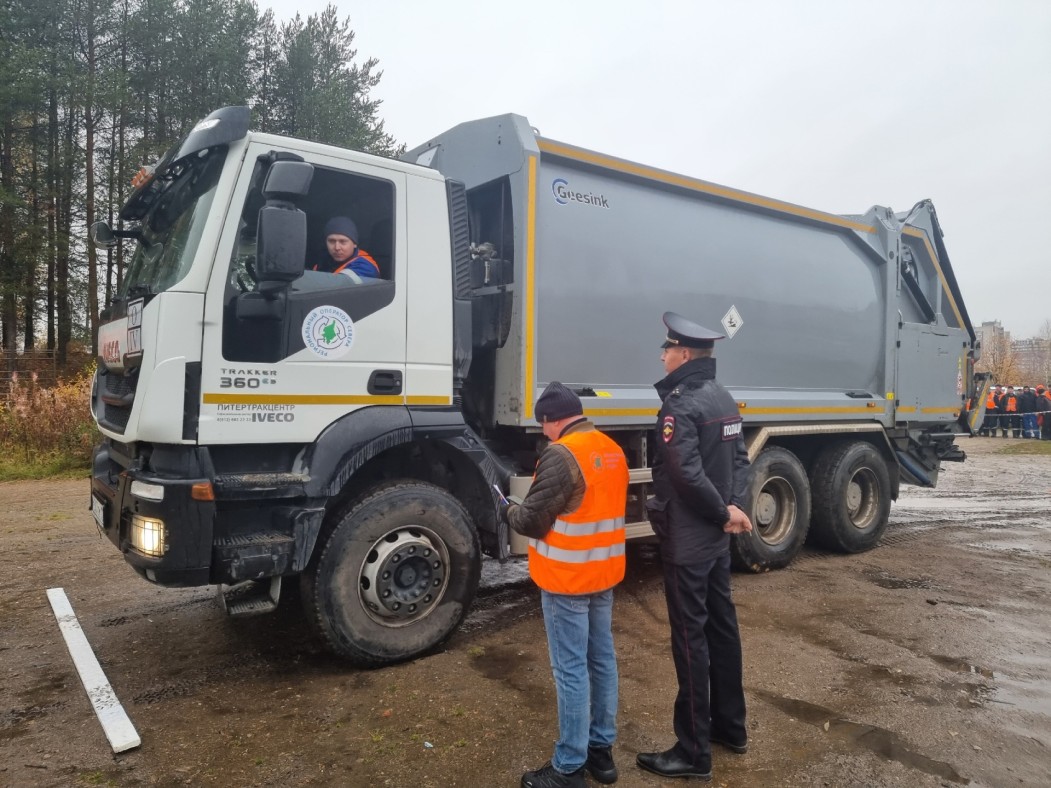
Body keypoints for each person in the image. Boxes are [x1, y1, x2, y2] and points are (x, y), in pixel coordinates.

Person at [636, 312, 753, 782]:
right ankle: (731, 729)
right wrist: (733, 507)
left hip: (689, 539)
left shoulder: (679, 406)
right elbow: (740, 461)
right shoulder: (721, 397)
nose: (662, 357)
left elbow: (684, 474)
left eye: (666, 350)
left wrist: (724, 512)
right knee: (722, 631)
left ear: (683, 354)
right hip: (715, 540)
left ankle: (692, 752)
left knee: (690, 641)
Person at [503, 381, 630, 788]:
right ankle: (600, 753)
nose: (543, 431)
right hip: (603, 575)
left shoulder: (561, 455)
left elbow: (532, 521)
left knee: (571, 669)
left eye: (544, 424)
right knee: (601, 660)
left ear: (555, 420)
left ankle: (569, 766)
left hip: (567, 580)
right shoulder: (611, 449)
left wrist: (507, 510)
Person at [313, 216, 380, 279]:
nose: (337, 247)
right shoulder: (323, 262)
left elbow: (337, 286)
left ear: (354, 244)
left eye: (343, 242)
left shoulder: (365, 267)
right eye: (332, 241)